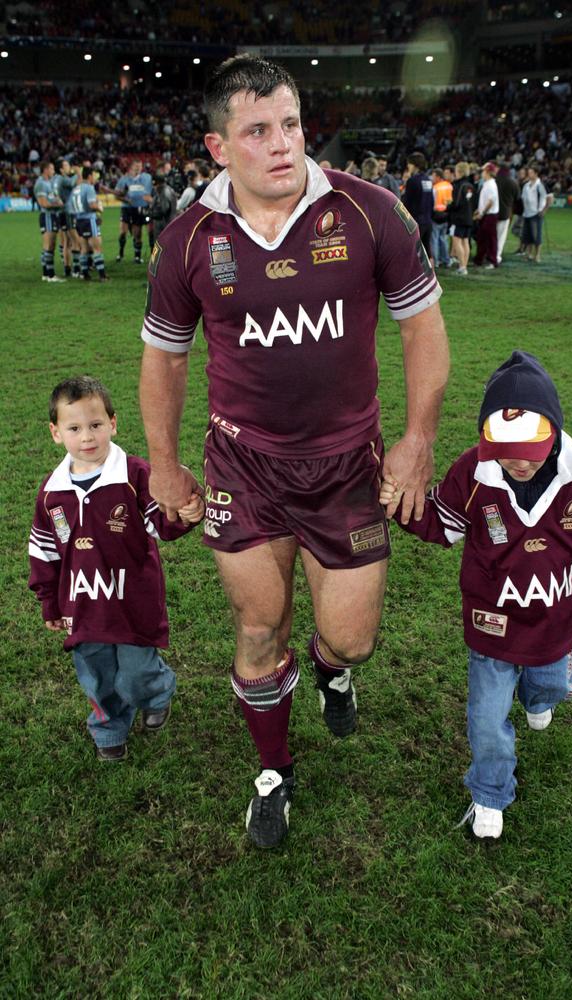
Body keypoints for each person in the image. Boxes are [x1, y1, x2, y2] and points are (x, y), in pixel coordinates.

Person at [139, 54, 449, 849]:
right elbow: (165, 360)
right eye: (257, 131)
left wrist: (416, 444)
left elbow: (423, 331)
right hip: (243, 465)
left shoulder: (372, 212)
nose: (282, 145)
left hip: (349, 463)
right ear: (218, 147)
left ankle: (332, 670)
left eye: (290, 125)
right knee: (256, 626)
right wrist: (166, 463)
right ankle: (273, 773)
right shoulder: (186, 241)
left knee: (353, 637)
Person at [380, 350, 572, 840]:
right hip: (490, 627)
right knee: (487, 719)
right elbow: (442, 525)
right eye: (506, 450)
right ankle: (490, 793)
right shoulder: (474, 473)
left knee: (552, 687)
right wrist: (401, 510)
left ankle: (549, 689)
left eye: (530, 450)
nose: (518, 462)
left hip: (557, 625)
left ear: (555, 432)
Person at [28, 376, 204, 762]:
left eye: (95, 425)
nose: (86, 436)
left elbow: (162, 521)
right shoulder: (52, 492)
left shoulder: (135, 474)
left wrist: (186, 515)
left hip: (132, 600)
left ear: (113, 423)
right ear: (56, 433)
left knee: (135, 672)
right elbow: (44, 551)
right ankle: (108, 730)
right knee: (96, 674)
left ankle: (155, 692)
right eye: (74, 428)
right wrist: (49, 602)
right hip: (82, 607)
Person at [70, 166, 108, 282]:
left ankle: (85, 274)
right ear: (90, 176)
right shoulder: (89, 188)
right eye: (94, 176)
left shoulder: (76, 188)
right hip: (89, 220)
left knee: (84, 248)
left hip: (79, 221)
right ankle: (102, 275)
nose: (95, 178)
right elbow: (92, 205)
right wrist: (100, 208)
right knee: (97, 248)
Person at [114, 159, 153, 264]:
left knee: (138, 233)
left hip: (141, 208)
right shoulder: (124, 179)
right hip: (127, 208)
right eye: (136, 166)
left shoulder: (147, 178)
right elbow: (116, 195)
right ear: (131, 167)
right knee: (123, 232)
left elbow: (151, 191)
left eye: (140, 166)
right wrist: (125, 199)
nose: (139, 168)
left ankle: (137, 256)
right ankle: (120, 253)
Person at [34, 161, 65, 282]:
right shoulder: (41, 183)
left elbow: (51, 198)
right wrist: (56, 204)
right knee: (49, 245)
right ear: (46, 170)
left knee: (50, 245)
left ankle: (46, 274)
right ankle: (51, 275)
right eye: (52, 169)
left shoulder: (48, 183)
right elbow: (43, 203)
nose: (54, 171)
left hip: (52, 216)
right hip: (47, 216)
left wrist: (57, 200)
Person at [402, 151, 434, 257]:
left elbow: (406, 204)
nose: (408, 166)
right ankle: (431, 273)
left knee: (413, 253)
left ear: (414, 165)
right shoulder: (428, 180)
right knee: (427, 251)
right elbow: (431, 201)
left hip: (416, 222)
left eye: (409, 164)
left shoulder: (412, 181)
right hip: (428, 220)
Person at [448, 161, 474, 277]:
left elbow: (456, 203)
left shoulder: (459, 185)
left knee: (457, 241)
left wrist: (448, 206)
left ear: (459, 172)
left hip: (458, 217)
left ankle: (462, 267)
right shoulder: (470, 185)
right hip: (468, 217)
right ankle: (465, 266)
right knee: (465, 241)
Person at [521, 164, 551, 263]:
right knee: (527, 235)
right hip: (526, 213)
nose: (529, 174)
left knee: (536, 235)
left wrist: (544, 210)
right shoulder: (526, 185)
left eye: (531, 173)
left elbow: (549, 197)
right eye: (528, 172)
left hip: (536, 213)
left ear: (536, 173)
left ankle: (537, 255)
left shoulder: (540, 185)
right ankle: (529, 253)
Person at [473, 162, 499, 269]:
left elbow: (490, 202)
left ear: (487, 172)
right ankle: (479, 259)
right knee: (482, 238)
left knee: (489, 239)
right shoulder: (488, 183)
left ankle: (492, 261)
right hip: (487, 214)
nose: (482, 173)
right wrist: (479, 210)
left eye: (483, 171)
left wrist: (482, 213)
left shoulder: (491, 184)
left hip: (490, 215)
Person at [495, 163, 519, 265]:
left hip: (493, 212)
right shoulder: (513, 182)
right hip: (506, 213)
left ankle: (489, 254)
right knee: (501, 236)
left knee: (492, 236)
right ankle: (497, 256)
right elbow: (517, 198)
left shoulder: (494, 181)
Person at [431, 165, 452, 268]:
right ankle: (446, 260)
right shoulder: (449, 185)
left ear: (438, 177)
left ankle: (436, 261)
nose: (432, 178)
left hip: (436, 214)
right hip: (446, 214)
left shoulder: (435, 188)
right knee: (443, 238)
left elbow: (433, 202)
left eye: (433, 176)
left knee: (434, 239)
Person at [150, 170, 178, 239]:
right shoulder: (168, 189)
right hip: (169, 223)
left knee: (163, 248)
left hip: (165, 225)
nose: (154, 186)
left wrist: (151, 214)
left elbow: (163, 210)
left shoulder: (163, 192)